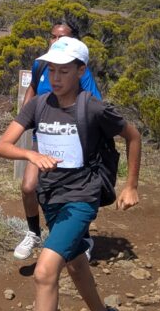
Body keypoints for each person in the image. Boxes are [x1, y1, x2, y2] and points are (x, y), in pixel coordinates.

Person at [0, 37, 141, 311]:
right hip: (50, 197)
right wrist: (30, 155)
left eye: (63, 71)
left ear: (80, 71)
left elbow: (133, 136)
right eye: (51, 71)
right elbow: (2, 145)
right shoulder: (38, 105)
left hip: (81, 198)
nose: (55, 78)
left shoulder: (94, 107)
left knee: (45, 271)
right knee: (75, 264)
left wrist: (131, 186)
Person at [14, 21, 102, 260]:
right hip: (43, 136)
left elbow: (93, 103)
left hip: (70, 139)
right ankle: (34, 233)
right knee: (29, 187)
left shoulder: (78, 71)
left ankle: (81, 237)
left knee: (70, 191)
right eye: (53, 36)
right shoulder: (41, 64)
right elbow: (33, 87)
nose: (56, 41)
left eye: (62, 37)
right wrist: (26, 113)